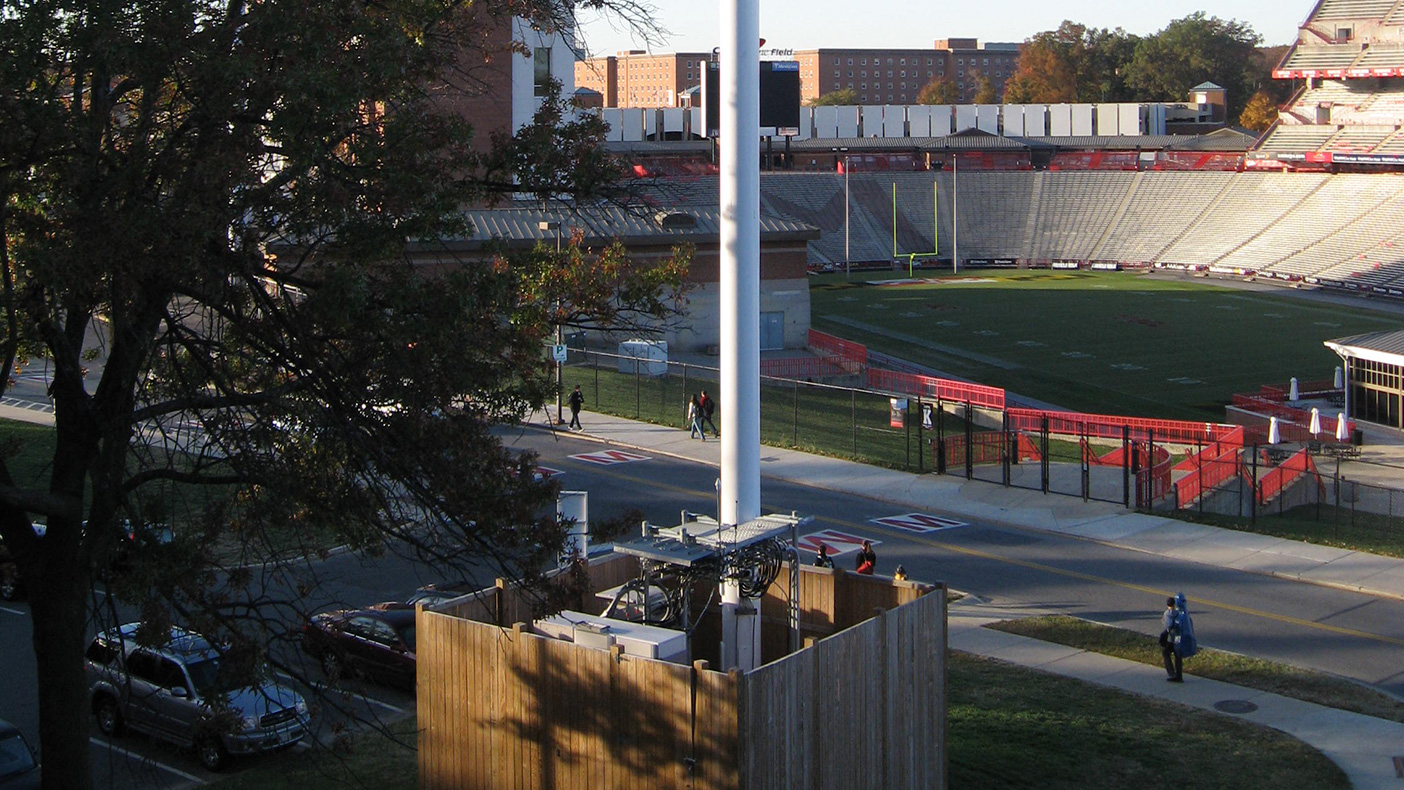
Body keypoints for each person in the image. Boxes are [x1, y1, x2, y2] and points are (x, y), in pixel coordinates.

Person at [1159, 593, 1197, 682]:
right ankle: (1179, 676)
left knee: (1166, 652)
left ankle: (1173, 674)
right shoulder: (1183, 614)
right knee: (1177, 656)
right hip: (1181, 639)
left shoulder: (1168, 614)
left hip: (1174, 639)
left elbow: (1168, 625)